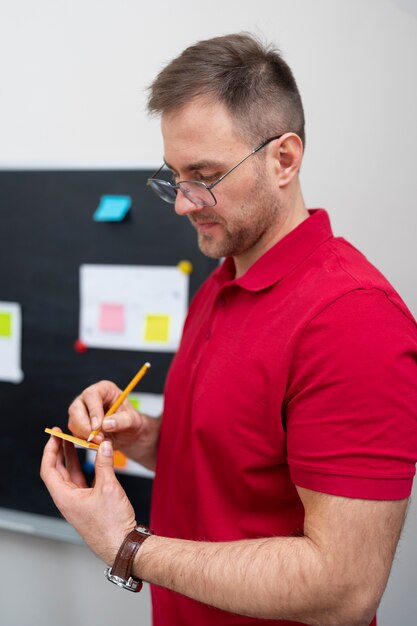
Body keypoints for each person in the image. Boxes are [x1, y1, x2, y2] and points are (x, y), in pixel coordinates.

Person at [41, 33, 417, 626]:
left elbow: (346, 589)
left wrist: (128, 547)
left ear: (284, 160)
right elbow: (236, 471)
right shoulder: (222, 279)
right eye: (174, 176)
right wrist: (144, 436)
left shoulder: (352, 319)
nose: (182, 204)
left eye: (204, 176)